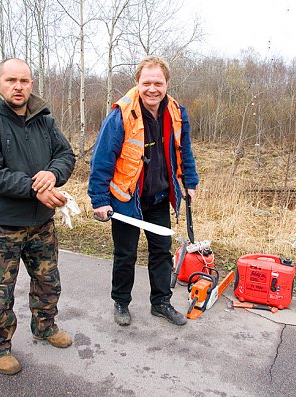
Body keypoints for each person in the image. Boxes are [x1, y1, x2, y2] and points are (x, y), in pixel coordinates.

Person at [0, 58, 76, 375]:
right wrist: (34, 188)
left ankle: (44, 326)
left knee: (47, 282)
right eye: (11, 80)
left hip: (41, 222)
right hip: (4, 227)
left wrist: (52, 175)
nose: (19, 86)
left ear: (32, 84)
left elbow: (65, 154)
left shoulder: (44, 120)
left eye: (25, 81)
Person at [88, 55, 199, 327]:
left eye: (158, 83)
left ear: (167, 84)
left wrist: (191, 182)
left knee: (161, 252)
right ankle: (121, 302)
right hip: (126, 200)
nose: (152, 89)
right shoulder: (121, 114)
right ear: (137, 83)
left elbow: (184, 150)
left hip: (159, 197)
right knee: (125, 253)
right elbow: (102, 159)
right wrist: (99, 200)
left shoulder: (176, 112)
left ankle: (161, 302)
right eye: (146, 82)